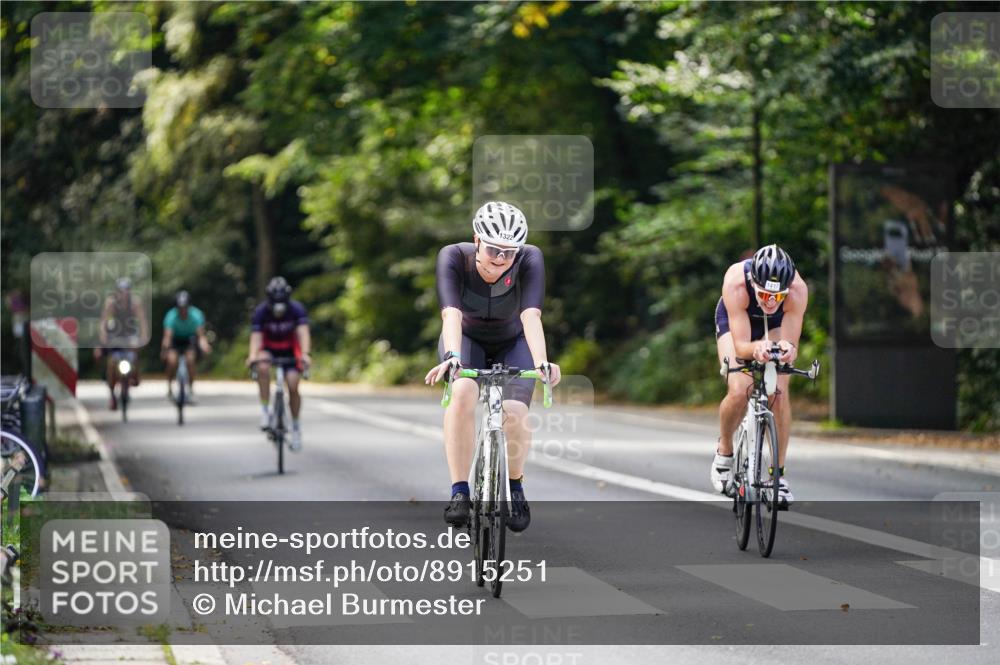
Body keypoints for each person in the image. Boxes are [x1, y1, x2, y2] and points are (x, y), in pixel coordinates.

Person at [424, 201, 561, 533]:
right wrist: (453, 356)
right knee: (463, 392)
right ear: (476, 240)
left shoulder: (530, 258)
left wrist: (542, 361)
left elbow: (531, 315)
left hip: (512, 342)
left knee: (515, 412)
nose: (500, 258)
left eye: (508, 253)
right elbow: (451, 315)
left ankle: (514, 488)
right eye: (494, 249)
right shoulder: (453, 257)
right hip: (466, 340)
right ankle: (459, 492)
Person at [711, 244, 808, 508]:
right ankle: (725, 450)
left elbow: (791, 344)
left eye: (777, 297)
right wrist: (757, 348)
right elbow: (742, 347)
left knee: (779, 392)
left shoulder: (797, 291)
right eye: (764, 294)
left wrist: (787, 350)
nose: (769, 301)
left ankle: (777, 478)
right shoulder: (736, 283)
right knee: (739, 388)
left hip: (774, 325)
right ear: (754, 282)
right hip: (737, 322)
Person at [247, 276, 311, 452]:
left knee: (292, 384)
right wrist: (252, 355)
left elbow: (303, 332)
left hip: (291, 352)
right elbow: (256, 336)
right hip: (269, 350)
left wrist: (305, 354)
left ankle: (296, 426)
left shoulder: (296, 309)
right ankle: (265, 411)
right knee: (262, 366)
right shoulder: (261, 311)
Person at [95, 277, 149, 410]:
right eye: (121, 291)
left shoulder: (135, 303)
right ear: (117, 292)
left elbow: (142, 321)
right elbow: (103, 322)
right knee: (112, 363)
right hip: (115, 335)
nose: (124, 294)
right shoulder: (111, 303)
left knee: (134, 355)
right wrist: (103, 337)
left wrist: (144, 336)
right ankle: (112, 394)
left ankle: (135, 377)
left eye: (126, 291)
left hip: (130, 334)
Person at [161, 290, 212, 402]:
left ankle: (191, 389)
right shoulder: (171, 316)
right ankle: (169, 388)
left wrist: (205, 346)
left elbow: (201, 335)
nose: (183, 310)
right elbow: (167, 337)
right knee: (172, 361)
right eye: (180, 308)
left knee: (190, 360)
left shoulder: (196, 315)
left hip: (189, 340)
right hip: (175, 340)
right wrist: (165, 350)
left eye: (185, 307)